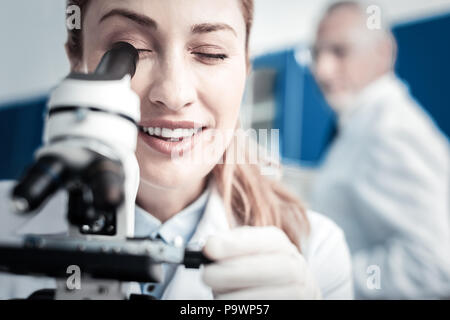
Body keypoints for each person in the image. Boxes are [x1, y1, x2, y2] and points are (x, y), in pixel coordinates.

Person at [0, 0, 353, 300]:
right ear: (77, 64)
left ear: (245, 69)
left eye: (210, 53)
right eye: (130, 49)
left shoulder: (316, 251)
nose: (173, 92)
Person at [310, 1, 450, 299]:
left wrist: (319, 276)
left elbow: (433, 264)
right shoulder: (358, 124)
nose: (321, 70)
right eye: (316, 53)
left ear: (384, 52)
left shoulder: (392, 131)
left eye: (339, 51)